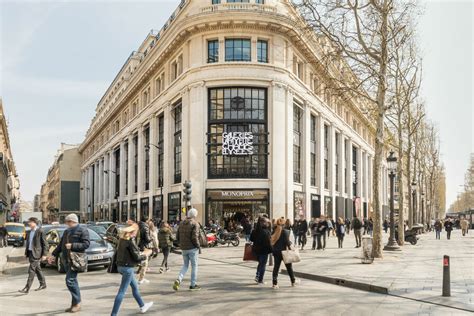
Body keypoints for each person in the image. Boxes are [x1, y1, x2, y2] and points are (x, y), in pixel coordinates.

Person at [48, 214, 90, 313]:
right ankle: (74, 304)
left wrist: (72, 245)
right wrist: (53, 255)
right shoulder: (67, 231)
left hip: (75, 260)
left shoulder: (82, 230)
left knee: (70, 281)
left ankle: (77, 303)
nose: (66, 224)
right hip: (66, 259)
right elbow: (60, 245)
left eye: (67, 222)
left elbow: (86, 244)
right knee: (73, 281)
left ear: (72, 221)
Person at [111, 224, 154, 316]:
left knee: (135, 288)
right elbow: (137, 257)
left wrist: (141, 253)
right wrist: (146, 254)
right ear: (132, 232)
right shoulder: (130, 241)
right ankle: (113, 314)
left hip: (121, 267)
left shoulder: (122, 240)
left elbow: (130, 254)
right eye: (135, 232)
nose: (136, 233)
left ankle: (142, 306)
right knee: (122, 292)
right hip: (127, 268)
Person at [173, 208, 201, 291]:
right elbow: (194, 237)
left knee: (185, 265)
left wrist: (181, 244)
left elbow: (177, 236)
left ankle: (179, 279)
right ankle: (193, 284)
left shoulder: (181, 223)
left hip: (184, 248)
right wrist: (198, 246)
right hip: (192, 248)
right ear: (195, 215)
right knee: (194, 266)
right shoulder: (195, 224)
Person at [18, 217, 48, 294]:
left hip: (36, 254)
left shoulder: (40, 231)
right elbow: (28, 244)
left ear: (35, 222)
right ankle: (43, 284)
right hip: (30, 252)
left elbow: (45, 244)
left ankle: (27, 288)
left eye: (30, 222)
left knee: (31, 270)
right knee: (38, 269)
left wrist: (44, 254)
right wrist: (26, 253)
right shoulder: (29, 232)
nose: (29, 223)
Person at [270, 218, 296, 289]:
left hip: (276, 252)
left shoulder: (274, 231)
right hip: (284, 252)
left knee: (276, 268)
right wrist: (292, 249)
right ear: (283, 224)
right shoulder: (284, 232)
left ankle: (274, 283)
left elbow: (271, 241)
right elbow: (287, 242)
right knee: (289, 267)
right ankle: (293, 281)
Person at [250, 216, 272, 285]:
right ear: (263, 223)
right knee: (263, 265)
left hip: (256, 250)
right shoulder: (266, 232)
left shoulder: (255, 230)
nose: (268, 224)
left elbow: (251, 239)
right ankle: (260, 279)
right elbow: (268, 242)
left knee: (260, 264)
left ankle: (257, 275)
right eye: (267, 222)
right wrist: (271, 250)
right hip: (264, 251)